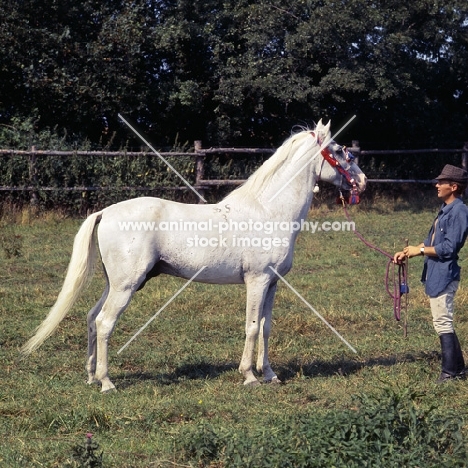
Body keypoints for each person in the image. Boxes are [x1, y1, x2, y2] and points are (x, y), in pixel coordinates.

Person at [394, 164, 468, 383]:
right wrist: (409, 252)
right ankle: (460, 369)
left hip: (445, 274)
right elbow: (431, 242)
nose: (437, 185)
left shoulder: (459, 211)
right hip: (436, 273)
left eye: (441, 182)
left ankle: (448, 373)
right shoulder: (446, 209)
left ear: (453, 187)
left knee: (443, 322)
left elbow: (449, 247)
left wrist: (422, 250)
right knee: (442, 321)